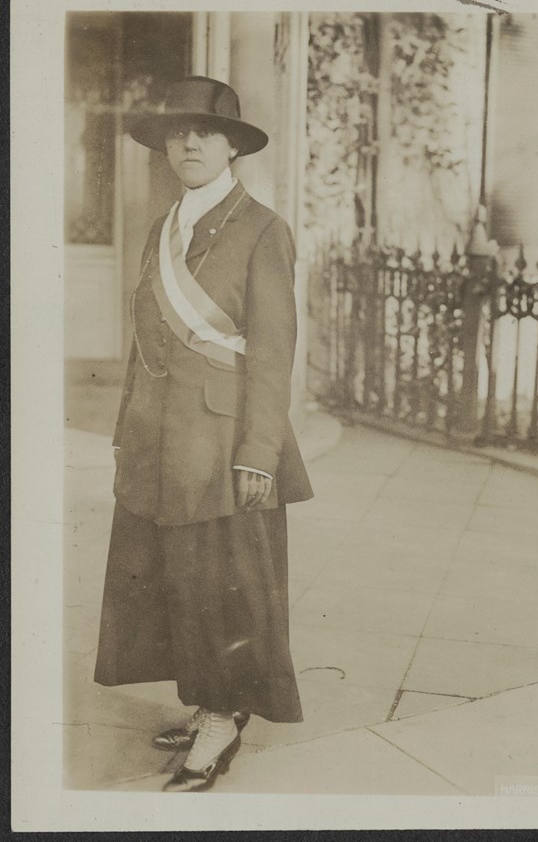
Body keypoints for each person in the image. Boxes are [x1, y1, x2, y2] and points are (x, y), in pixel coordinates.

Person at [93, 76, 314, 793]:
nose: (190, 142)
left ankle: (224, 715)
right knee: (172, 580)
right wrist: (128, 431)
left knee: (224, 587)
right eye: (178, 132)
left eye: (206, 133)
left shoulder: (261, 228)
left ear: (232, 148)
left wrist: (260, 454)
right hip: (161, 444)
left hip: (222, 444)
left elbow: (274, 352)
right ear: (163, 145)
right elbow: (143, 341)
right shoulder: (164, 228)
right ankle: (207, 701)